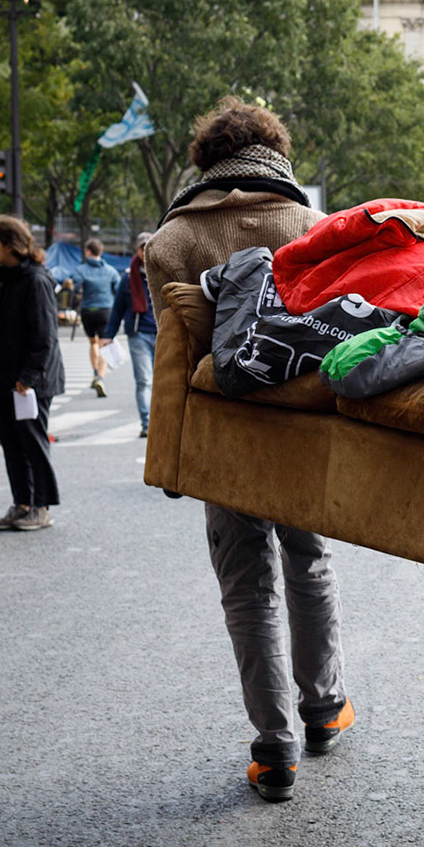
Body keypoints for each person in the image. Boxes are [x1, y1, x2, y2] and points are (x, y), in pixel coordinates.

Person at [144, 96, 354, 805]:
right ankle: (324, 708)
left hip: (222, 434)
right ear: (275, 154)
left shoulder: (169, 242)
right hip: (301, 431)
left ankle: (273, 749)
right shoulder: (314, 226)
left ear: (205, 160)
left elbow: (174, 358)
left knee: (245, 586)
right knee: (308, 557)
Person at [0, 216, 63, 531]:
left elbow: (45, 336)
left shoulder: (36, 281)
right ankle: (23, 504)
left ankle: (40, 507)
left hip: (30, 382)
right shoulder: (10, 277)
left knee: (32, 443)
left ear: (10, 244)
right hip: (5, 378)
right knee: (13, 446)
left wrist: (28, 376)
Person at [98, 231, 158, 437]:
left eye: (148, 246)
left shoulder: (163, 271)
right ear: (137, 250)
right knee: (144, 381)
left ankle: (161, 421)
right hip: (138, 334)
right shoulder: (128, 276)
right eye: (142, 247)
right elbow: (117, 309)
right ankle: (147, 424)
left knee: (162, 382)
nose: (145, 250)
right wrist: (109, 335)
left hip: (163, 334)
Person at [66, 238, 121, 397]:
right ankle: (100, 378)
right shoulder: (110, 271)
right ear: (101, 252)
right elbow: (117, 289)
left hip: (88, 310)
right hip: (106, 310)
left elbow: (74, 286)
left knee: (93, 342)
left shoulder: (81, 270)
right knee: (104, 344)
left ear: (88, 252)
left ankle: (95, 372)